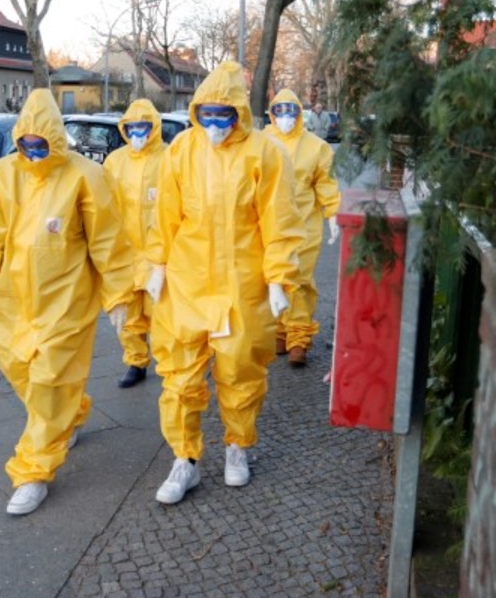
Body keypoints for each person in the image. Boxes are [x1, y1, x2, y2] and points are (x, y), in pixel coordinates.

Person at [0, 88, 132, 516]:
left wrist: (118, 296)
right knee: (19, 369)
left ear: (56, 139)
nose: (34, 153)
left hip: (67, 300)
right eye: (27, 145)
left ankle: (33, 471)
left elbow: (108, 241)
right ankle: (71, 414)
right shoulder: (2, 174)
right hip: (13, 301)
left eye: (41, 145)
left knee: (50, 380)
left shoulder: (85, 176)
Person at [144, 61, 304, 504]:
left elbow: (278, 221)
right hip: (187, 281)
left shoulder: (264, 153)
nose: (214, 123)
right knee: (179, 375)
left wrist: (278, 279)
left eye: (223, 114)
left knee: (240, 370)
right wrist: (156, 265)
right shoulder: (182, 150)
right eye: (207, 114)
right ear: (196, 112)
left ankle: (238, 446)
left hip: (241, 283)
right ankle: (185, 459)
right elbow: (165, 215)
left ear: (239, 112)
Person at [267, 89, 342, 366]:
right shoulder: (261, 142)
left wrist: (332, 212)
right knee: (273, 279)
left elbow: (325, 182)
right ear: (272, 113)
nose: (285, 117)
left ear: (300, 113)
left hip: (304, 226)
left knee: (299, 280)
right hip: (270, 225)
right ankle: (278, 330)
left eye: (291, 111)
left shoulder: (316, 146)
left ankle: (298, 338)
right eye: (280, 111)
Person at [103, 98, 167, 388]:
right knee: (128, 313)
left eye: (144, 126)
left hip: (159, 252)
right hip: (126, 251)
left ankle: (169, 365)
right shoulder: (115, 161)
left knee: (162, 313)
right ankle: (136, 361)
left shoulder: (170, 157)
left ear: (154, 127)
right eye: (132, 127)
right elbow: (104, 205)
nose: (138, 133)